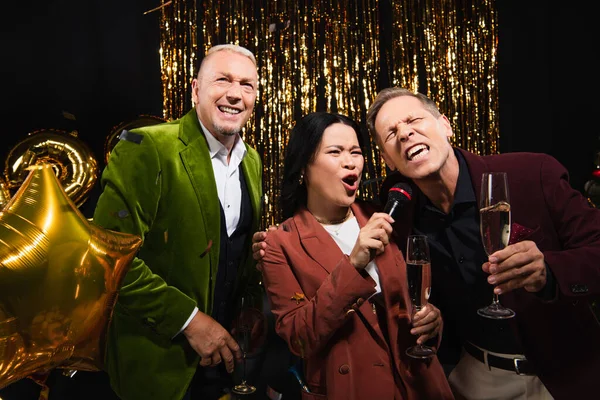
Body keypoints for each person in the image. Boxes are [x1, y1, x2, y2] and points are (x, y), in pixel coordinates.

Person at [362, 87, 600, 399]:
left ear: (445, 126)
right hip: (479, 378)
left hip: (568, 373)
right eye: (391, 133)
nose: (405, 133)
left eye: (413, 120)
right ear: (386, 158)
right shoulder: (403, 218)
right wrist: (433, 320)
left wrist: (549, 272)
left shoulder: (532, 173)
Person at [92, 44, 263, 400]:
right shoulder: (149, 146)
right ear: (195, 89)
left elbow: (237, 251)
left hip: (222, 366)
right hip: (156, 369)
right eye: (223, 80)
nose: (235, 93)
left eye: (247, 85)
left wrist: (248, 305)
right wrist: (190, 321)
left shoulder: (253, 162)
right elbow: (107, 257)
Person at [256, 111, 454, 399]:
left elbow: (413, 300)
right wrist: (354, 263)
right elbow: (299, 339)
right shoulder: (278, 244)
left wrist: (433, 321)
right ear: (303, 168)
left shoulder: (384, 216)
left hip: (419, 385)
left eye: (356, 152)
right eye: (335, 152)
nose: (350, 162)